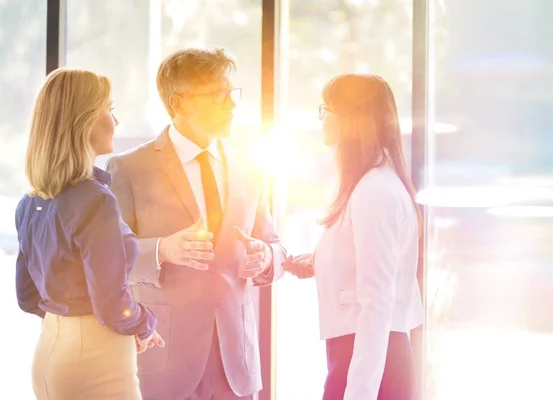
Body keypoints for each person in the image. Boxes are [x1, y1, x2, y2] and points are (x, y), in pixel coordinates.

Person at [105, 47, 286, 400]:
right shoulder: (128, 168)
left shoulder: (252, 169)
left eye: (232, 94)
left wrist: (266, 257)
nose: (232, 105)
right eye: (219, 95)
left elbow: (276, 246)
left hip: (236, 363)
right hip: (166, 361)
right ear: (179, 103)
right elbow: (110, 259)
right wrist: (161, 249)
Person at [15, 67, 164, 400]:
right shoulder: (95, 200)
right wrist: (144, 323)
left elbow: (27, 297)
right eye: (109, 109)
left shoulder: (30, 203)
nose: (116, 120)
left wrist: (71, 322)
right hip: (97, 360)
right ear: (83, 121)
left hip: (50, 352)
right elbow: (112, 305)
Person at [284, 74, 424, 400]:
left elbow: (377, 303)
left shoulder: (375, 192)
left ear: (350, 119)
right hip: (361, 354)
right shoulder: (367, 184)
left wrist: (358, 392)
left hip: (370, 361)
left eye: (326, 109)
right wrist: (320, 262)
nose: (322, 118)